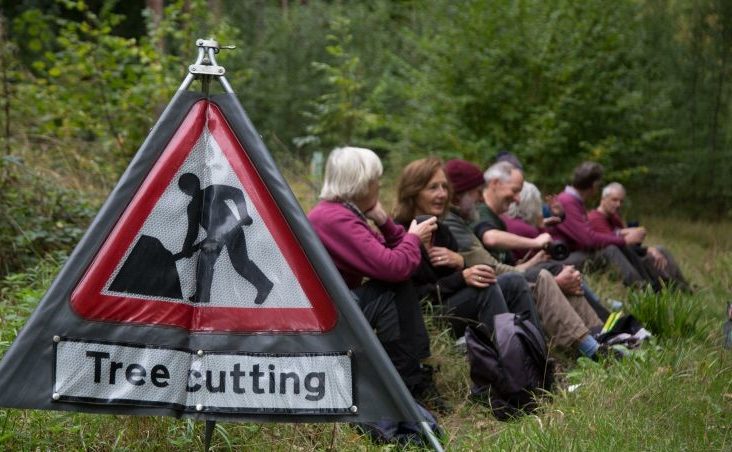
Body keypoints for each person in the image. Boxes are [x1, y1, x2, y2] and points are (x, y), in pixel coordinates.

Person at [307, 146, 442, 408]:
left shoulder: (339, 214)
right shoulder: (335, 220)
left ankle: (410, 374)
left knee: (393, 285)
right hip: (326, 318)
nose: (379, 185)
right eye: (375, 180)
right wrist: (414, 238)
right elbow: (395, 267)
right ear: (361, 184)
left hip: (332, 309)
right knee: (393, 289)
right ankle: (405, 381)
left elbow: (391, 253)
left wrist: (382, 219)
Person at [442, 159, 605, 359]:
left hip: (473, 292)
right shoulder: (466, 219)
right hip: (465, 301)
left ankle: (600, 335)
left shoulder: (464, 219)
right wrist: (536, 243)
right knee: (546, 277)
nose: (480, 197)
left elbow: (496, 263)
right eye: (477, 191)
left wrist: (532, 259)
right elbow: (490, 253)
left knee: (553, 271)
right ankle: (591, 345)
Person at [393, 157, 542, 341]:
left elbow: (455, 282)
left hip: (451, 302)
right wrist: (462, 276)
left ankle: (536, 354)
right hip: (424, 317)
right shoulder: (398, 233)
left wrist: (461, 263)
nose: (442, 194)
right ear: (413, 192)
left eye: (444, 187)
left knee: (513, 281)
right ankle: (512, 358)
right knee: (485, 290)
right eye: (433, 188)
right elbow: (417, 297)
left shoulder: (442, 232)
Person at [551, 162, 660, 290]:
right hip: (561, 259)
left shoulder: (572, 200)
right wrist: (623, 239)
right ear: (594, 185)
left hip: (571, 254)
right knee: (611, 249)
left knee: (616, 245)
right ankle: (642, 289)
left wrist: (619, 236)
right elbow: (588, 239)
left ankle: (651, 285)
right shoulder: (567, 201)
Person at [179, 172, 273, 305]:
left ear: (196, 184)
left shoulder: (211, 191)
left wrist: (243, 214)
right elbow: (192, 231)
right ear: (185, 192)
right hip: (214, 238)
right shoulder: (192, 207)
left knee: (240, 264)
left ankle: (264, 285)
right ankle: (202, 294)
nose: (190, 189)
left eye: (190, 186)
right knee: (204, 261)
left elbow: (237, 193)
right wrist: (186, 248)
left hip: (232, 229)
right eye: (187, 188)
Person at [589, 182, 690, 291]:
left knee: (660, 250)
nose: (618, 204)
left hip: (629, 255)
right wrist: (645, 249)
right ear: (603, 199)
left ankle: (681, 285)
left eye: (621, 201)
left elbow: (627, 245)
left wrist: (645, 247)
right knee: (652, 257)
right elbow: (615, 246)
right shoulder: (595, 218)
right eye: (614, 200)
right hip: (615, 262)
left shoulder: (614, 218)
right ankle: (665, 288)